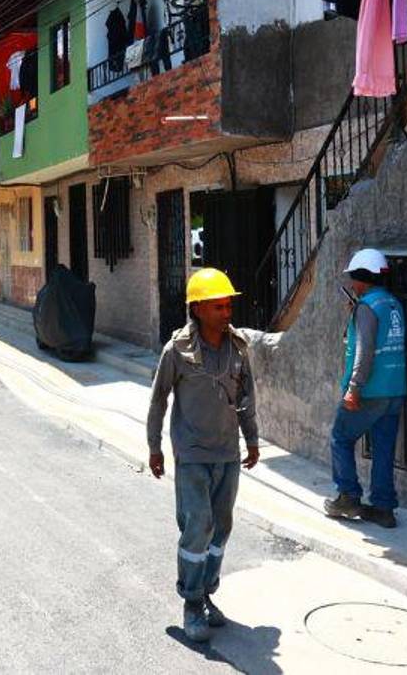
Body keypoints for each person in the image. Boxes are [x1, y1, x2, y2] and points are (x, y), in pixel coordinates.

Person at [146, 268, 260, 644]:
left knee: (221, 528)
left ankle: (207, 591)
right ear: (197, 309)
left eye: (228, 305)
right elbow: (159, 400)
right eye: (218, 307)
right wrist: (154, 446)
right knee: (198, 526)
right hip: (192, 454)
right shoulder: (176, 351)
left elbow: (246, 399)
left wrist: (252, 440)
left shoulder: (238, 348)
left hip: (227, 453)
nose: (226, 313)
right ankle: (192, 602)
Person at [323, 248, 407, 528]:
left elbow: (365, 350)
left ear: (362, 277)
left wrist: (354, 387)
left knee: (340, 437)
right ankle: (383, 508)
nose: (351, 284)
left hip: (370, 390)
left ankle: (348, 496)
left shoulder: (366, 307)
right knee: (383, 449)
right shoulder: (392, 303)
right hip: (395, 388)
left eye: (353, 278)